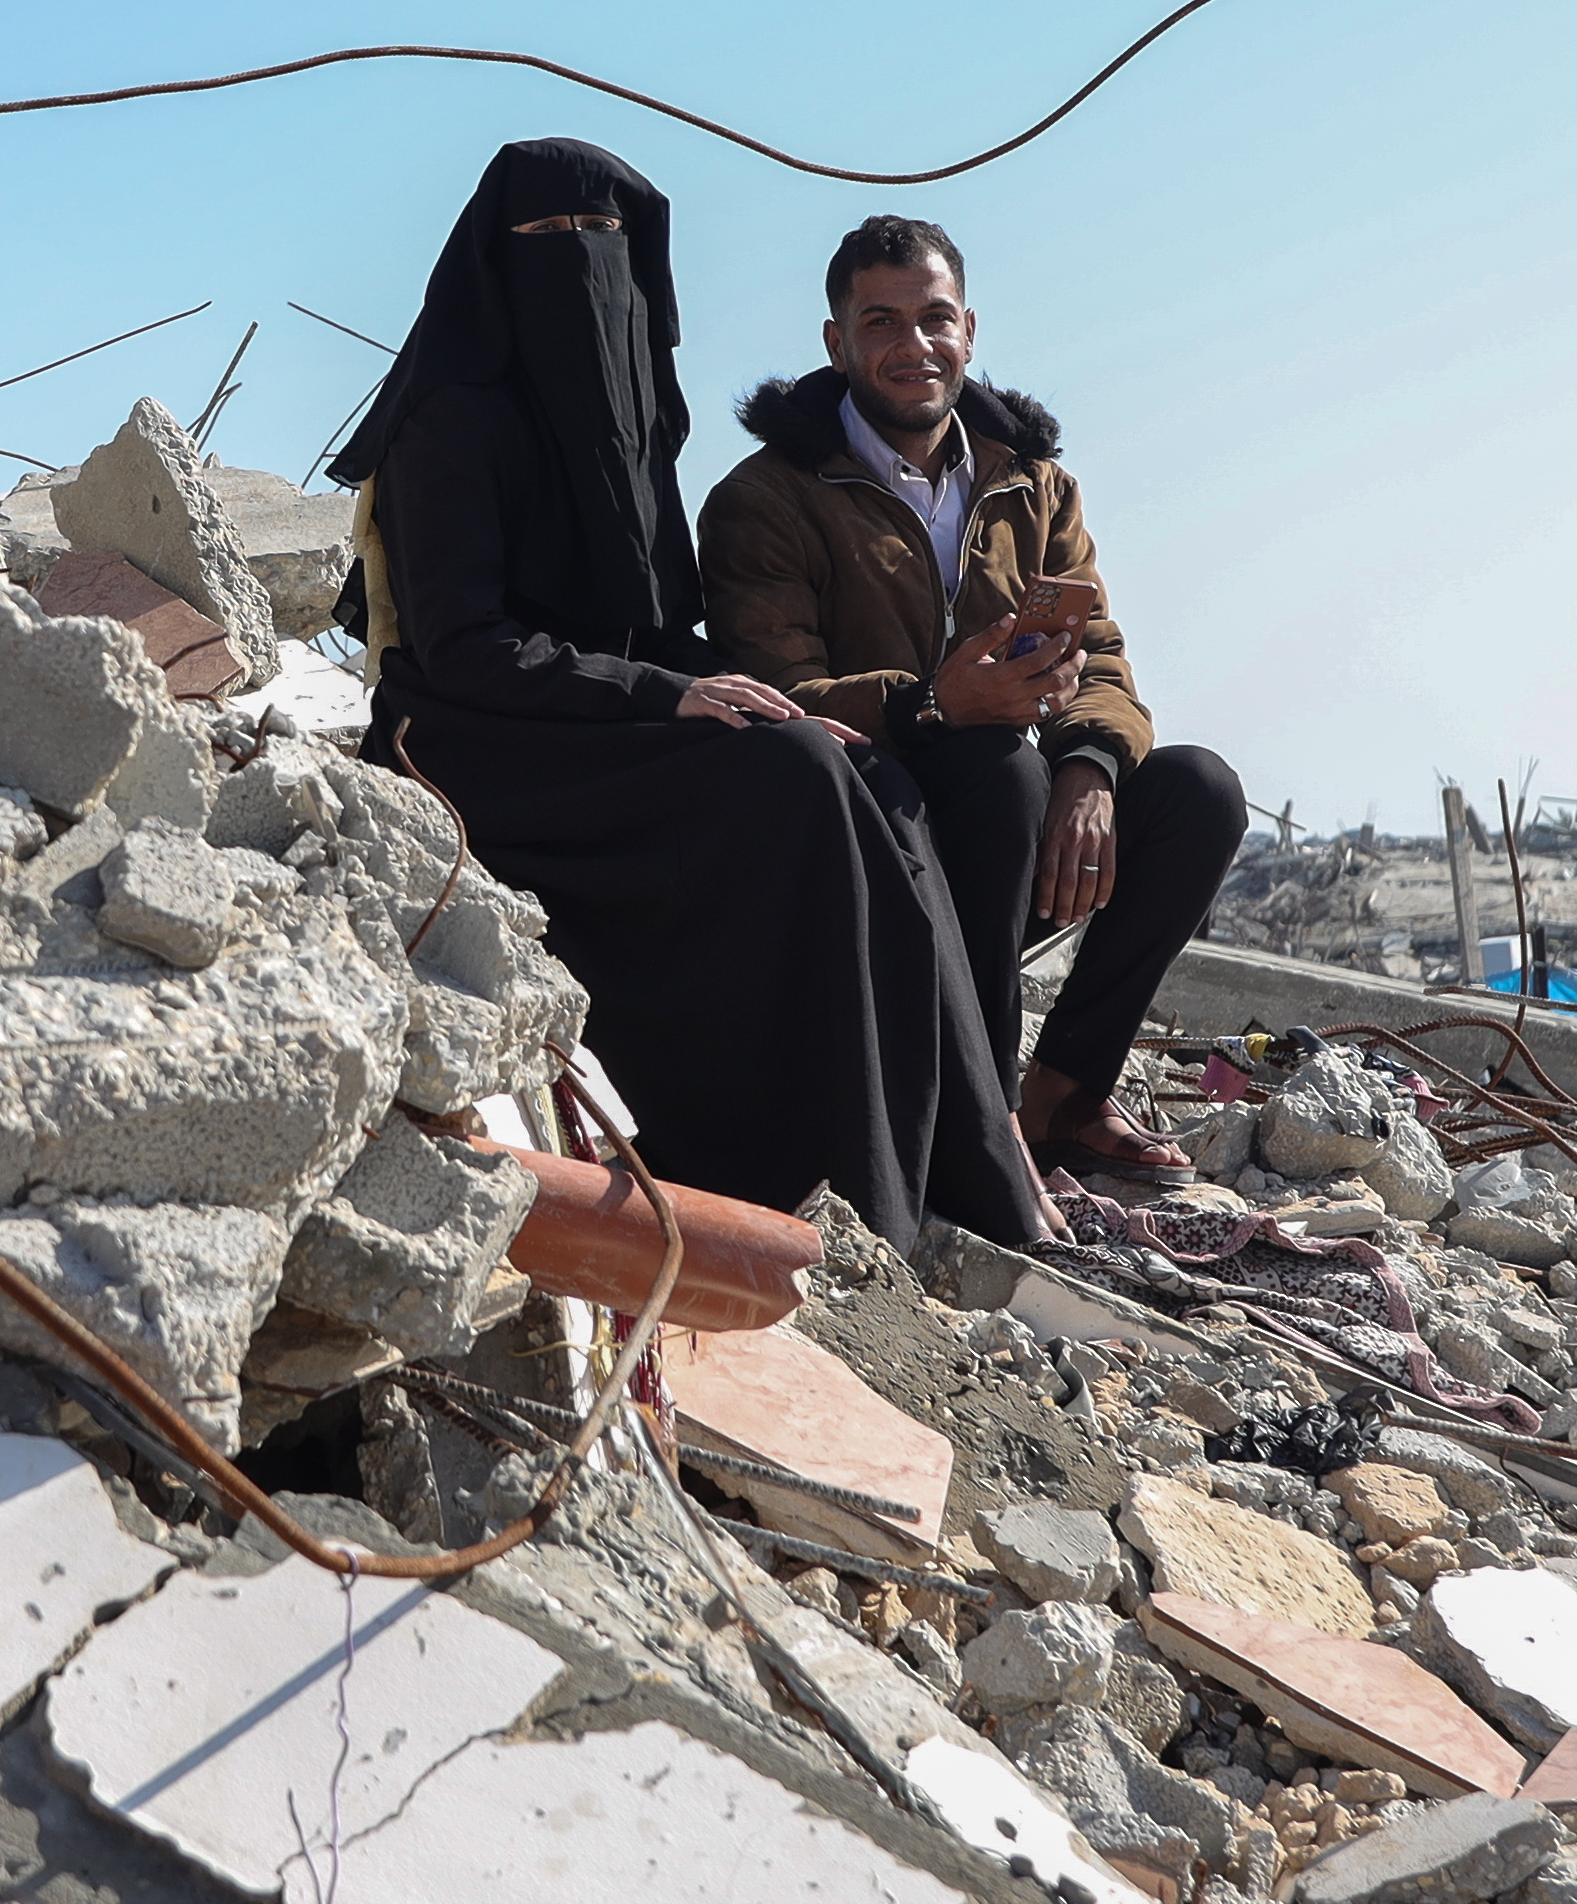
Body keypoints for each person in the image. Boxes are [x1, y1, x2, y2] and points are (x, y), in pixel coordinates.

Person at [328, 139, 1049, 1248]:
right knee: (801, 778)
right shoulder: (452, 422)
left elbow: (658, 624)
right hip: (483, 737)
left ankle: (975, 1171)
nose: (586, 276)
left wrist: (722, 692)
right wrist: (665, 699)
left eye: (607, 248)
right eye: (554, 246)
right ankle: (836, 1182)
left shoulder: (631, 421)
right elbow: (467, 647)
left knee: (867, 775)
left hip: (610, 717)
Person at [695, 213, 1251, 1191]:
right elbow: (776, 694)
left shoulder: (1032, 485)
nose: (914, 346)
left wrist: (1090, 769)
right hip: (870, 847)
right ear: (837, 342)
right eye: (882, 322)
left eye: (934, 318)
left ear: (970, 329)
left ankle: (1062, 1097)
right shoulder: (767, 498)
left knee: (1197, 790)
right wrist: (930, 704)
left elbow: (1103, 658)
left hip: (1013, 830)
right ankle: (978, 1123)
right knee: (998, 769)